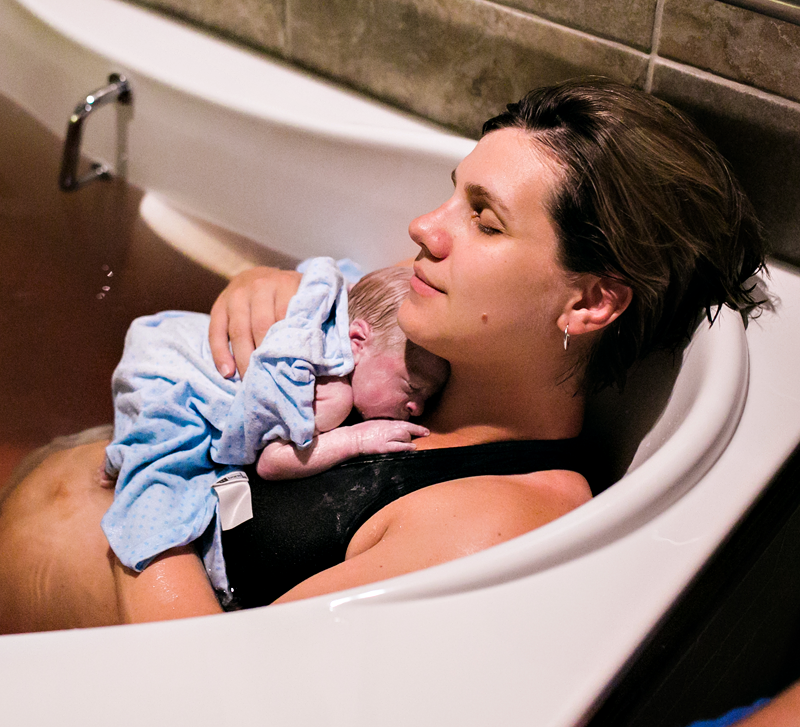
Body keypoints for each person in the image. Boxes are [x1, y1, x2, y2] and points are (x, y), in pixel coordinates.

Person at [0, 78, 766, 632]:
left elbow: (215, 678)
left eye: (484, 221)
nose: (423, 227)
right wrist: (267, 291)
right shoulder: (441, 349)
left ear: (589, 302)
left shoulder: (496, 514)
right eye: (452, 192)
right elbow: (318, 314)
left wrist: (148, 485)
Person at [101, 260, 449, 603]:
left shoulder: (339, 307)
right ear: (357, 339)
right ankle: (121, 459)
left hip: (169, 332)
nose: (418, 407)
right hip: (168, 371)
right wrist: (356, 439)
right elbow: (271, 462)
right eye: (411, 387)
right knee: (166, 489)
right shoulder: (332, 395)